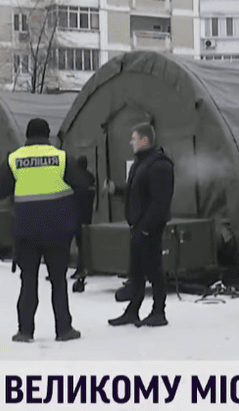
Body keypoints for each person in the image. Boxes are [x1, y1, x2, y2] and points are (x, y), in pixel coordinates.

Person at [0, 118, 83, 343]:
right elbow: (82, 185)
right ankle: (64, 329)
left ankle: (25, 331)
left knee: (28, 281)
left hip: (26, 232)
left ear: (27, 135)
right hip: (58, 231)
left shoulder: (14, 159)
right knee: (58, 281)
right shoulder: (61, 157)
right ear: (48, 134)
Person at [108, 123, 174, 328]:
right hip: (137, 226)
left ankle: (158, 311)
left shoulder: (160, 165)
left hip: (149, 228)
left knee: (154, 270)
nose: (131, 142)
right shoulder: (140, 163)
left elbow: (160, 201)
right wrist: (117, 190)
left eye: (134, 138)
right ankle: (133, 311)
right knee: (136, 271)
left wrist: (146, 227)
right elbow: (135, 190)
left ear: (144, 140)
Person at [70, 156, 97, 293]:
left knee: (76, 243)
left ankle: (80, 268)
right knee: (84, 244)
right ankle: (85, 267)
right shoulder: (90, 178)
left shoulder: (76, 179)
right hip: (87, 216)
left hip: (76, 215)